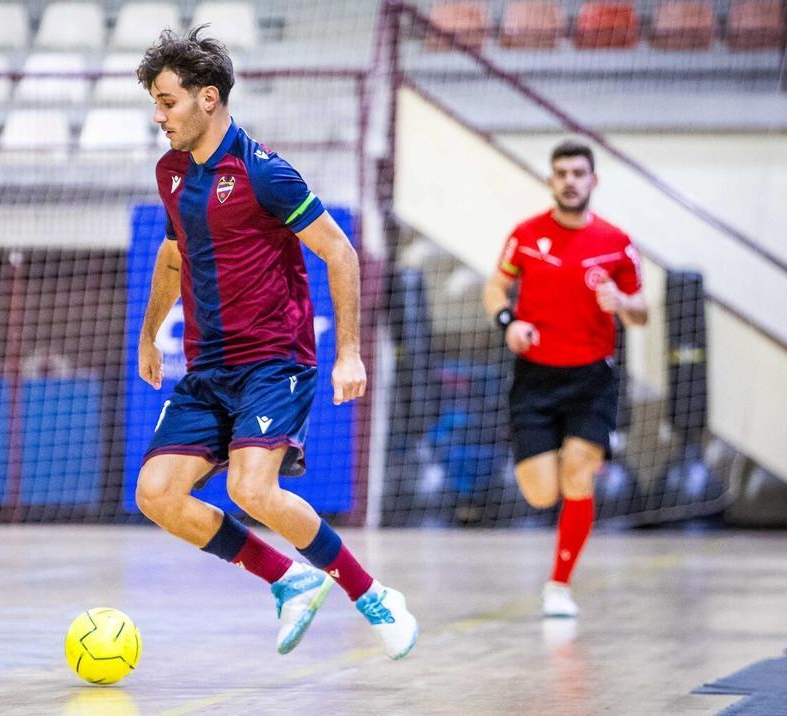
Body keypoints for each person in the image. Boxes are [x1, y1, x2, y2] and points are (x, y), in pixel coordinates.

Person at [132, 27, 418, 659]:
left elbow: (340, 252)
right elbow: (174, 257)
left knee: (251, 489)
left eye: (168, 102)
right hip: (208, 369)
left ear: (209, 98)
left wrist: (349, 352)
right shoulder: (171, 172)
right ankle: (288, 579)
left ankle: (374, 596)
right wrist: (149, 334)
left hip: (274, 361)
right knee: (155, 494)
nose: (159, 116)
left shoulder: (265, 173)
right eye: (155, 103)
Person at [482, 140, 647, 618]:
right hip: (534, 378)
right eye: (562, 173)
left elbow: (641, 312)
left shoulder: (617, 242)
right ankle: (556, 455)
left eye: (578, 173)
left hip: (592, 379)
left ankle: (559, 586)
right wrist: (509, 322)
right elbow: (496, 286)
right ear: (551, 180)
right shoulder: (526, 235)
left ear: (594, 180)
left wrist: (623, 302)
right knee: (541, 493)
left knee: (579, 472)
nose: (570, 181)